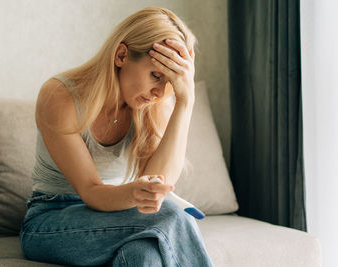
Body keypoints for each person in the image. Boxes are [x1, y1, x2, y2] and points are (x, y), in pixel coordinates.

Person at [19, 6, 215, 267]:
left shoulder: (151, 106)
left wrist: (185, 100)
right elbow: (91, 192)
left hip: (122, 219)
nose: (159, 92)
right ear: (121, 55)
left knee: (143, 255)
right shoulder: (61, 95)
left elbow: (157, 190)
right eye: (156, 75)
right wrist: (136, 194)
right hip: (50, 220)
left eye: (168, 84)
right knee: (172, 215)